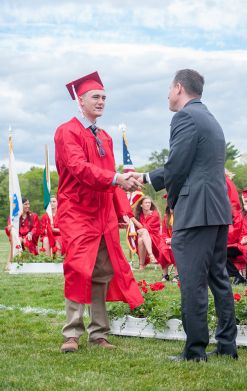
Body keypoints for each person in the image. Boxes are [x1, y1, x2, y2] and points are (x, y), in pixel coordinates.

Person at [136, 69, 238, 361]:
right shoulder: (210, 118)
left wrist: (145, 178)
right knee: (218, 277)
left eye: (169, 89)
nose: (168, 95)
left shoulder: (184, 117)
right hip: (217, 209)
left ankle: (195, 350)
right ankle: (227, 345)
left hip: (196, 211)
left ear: (179, 87)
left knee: (193, 280)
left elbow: (177, 167)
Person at [55, 71, 144, 352]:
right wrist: (116, 178)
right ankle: (71, 333)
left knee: (103, 271)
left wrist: (126, 212)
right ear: (80, 101)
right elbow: (79, 168)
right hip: (78, 211)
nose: (101, 101)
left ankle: (99, 333)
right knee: (79, 268)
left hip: (103, 213)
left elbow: (110, 176)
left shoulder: (104, 136)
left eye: (104, 97)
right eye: (96, 97)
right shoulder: (67, 131)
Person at [225, 171, 245, 285]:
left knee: (217, 251)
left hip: (236, 245)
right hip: (229, 244)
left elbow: (233, 235)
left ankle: (237, 276)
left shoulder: (235, 215)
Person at [131, 196, 161, 270]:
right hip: (143, 238)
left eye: (149, 203)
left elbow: (145, 228)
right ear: (141, 205)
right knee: (141, 239)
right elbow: (135, 229)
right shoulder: (139, 215)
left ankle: (147, 259)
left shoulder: (154, 214)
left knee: (144, 232)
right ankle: (143, 264)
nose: (148, 204)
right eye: (146, 203)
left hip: (154, 238)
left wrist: (132, 219)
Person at [160, 204, 178, 282]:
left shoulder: (181, 216)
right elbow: (163, 232)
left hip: (179, 240)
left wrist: (173, 240)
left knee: (176, 250)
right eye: (170, 207)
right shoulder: (166, 217)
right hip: (167, 240)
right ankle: (165, 275)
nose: (172, 209)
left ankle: (177, 275)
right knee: (163, 250)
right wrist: (167, 239)